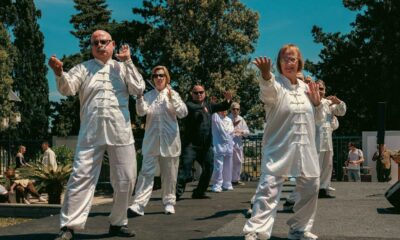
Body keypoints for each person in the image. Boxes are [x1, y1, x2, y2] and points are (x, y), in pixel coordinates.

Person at [48, 29, 145, 240]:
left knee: (127, 178)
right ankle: (69, 226)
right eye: (95, 43)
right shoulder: (83, 69)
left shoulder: (122, 68)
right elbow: (67, 89)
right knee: (80, 177)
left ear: (113, 45)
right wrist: (58, 73)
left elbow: (138, 88)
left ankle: (118, 222)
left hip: (120, 131)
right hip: (91, 133)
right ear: (91, 47)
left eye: (104, 42)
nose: (100, 45)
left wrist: (128, 61)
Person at [243, 44, 324, 240]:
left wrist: (317, 103)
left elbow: (319, 119)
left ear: (299, 62)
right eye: (284, 59)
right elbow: (267, 93)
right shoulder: (276, 84)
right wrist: (265, 75)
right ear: (279, 63)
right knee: (268, 188)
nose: (289, 62)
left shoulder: (307, 88)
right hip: (280, 147)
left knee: (311, 186)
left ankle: (299, 229)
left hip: (306, 149)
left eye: (292, 59)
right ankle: (256, 230)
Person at [128, 66, 188, 216]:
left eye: (161, 75)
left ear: (166, 78)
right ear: (153, 78)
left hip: (170, 143)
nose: (158, 78)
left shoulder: (174, 94)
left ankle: (169, 203)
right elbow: (141, 112)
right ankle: (138, 204)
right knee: (146, 173)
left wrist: (171, 96)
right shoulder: (148, 96)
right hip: (152, 142)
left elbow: (183, 113)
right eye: (155, 76)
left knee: (170, 175)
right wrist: (140, 96)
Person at [176, 85, 232, 200]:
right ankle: (175, 194)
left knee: (209, 168)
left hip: (205, 146)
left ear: (204, 93)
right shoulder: (187, 105)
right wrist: (202, 109)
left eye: (201, 92)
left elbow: (222, 106)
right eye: (196, 93)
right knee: (185, 170)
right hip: (190, 145)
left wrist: (228, 100)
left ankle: (199, 192)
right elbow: (193, 108)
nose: (199, 94)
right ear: (192, 94)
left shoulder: (208, 106)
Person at [315, 80, 346, 198]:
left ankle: (323, 188)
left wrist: (338, 101)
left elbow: (341, 112)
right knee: (315, 164)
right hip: (315, 138)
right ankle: (313, 188)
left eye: (322, 89)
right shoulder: (310, 102)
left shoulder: (328, 103)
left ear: (325, 90)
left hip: (327, 137)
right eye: (317, 88)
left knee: (327, 164)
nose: (320, 91)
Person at [210, 110, 234, 192]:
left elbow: (231, 132)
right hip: (218, 145)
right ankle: (217, 184)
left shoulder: (229, 120)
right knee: (218, 167)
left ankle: (227, 183)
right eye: (222, 110)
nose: (224, 111)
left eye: (225, 110)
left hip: (229, 146)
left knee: (228, 166)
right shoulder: (215, 118)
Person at [228, 102, 250, 186]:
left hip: (238, 143)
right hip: (229, 144)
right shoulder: (227, 118)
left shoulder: (241, 119)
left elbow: (247, 132)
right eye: (233, 109)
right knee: (229, 162)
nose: (235, 111)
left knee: (239, 161)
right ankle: (228, 180)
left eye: (237, 109)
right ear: (231, 109)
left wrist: (241, 131)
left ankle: (236, 179)